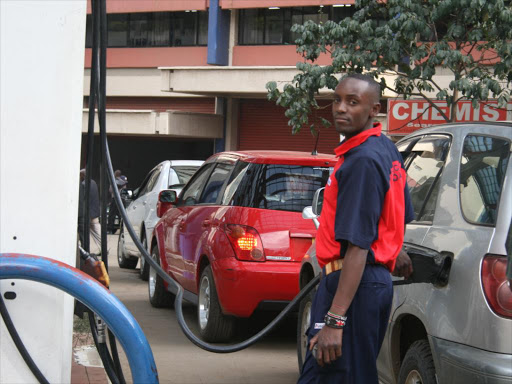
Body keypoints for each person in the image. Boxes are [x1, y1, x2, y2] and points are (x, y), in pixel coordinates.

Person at [298, 73, 414, 384]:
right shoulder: (384, 148)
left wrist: (335, 321)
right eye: (336, 100)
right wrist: (393, 248)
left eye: (353, 102)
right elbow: (396, 211)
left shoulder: (362, 161)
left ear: (374, 109)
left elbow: (358, 246)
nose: (340, 108)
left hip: (353, 285)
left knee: (341, 376)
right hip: (362, 283)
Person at [78, 168, 102, 253]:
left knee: (84, 233)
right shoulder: (93, 182)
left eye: (80, 175)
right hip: (94, 211)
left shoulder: (83, 184)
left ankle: (84, 250)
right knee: (97, 232)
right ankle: (103, 248)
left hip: (87, 213)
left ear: (83, 175)